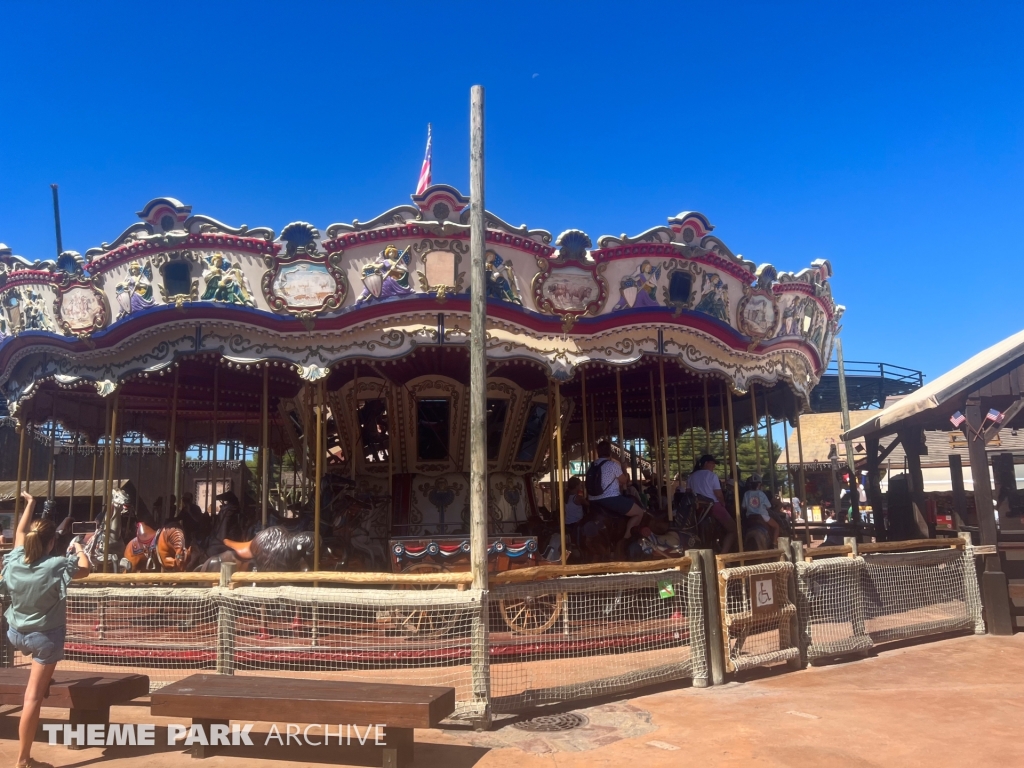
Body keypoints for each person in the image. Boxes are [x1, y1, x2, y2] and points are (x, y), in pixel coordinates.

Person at [2, 492, 91, 768]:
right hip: (44, 640)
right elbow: (86, 570)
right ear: (53, 542)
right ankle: (23, 760)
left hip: (15, 634)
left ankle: (45, 679)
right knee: (33, 698)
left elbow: (19, 531)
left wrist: (30, 504)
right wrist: (79, 549)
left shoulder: (15, 558)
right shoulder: (55, 565)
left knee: (39, 673)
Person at [587, 441, 647, 539]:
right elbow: (624, 481)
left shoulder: (592, 465)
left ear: (598, 452)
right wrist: (624, 469)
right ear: (610, 452)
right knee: (639, 512)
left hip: (593, 499)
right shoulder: (612, 465)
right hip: (610, 498)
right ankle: (626, 539)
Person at [688, 454, 737, 553]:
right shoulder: (712, 476)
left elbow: (688, 492)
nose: (714, 466)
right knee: (733, 529)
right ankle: (723, 554)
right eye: (712, 463)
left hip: (696, 507)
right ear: (706, 463)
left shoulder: (691, 476)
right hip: (712, 505)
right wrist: (723, 503)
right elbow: (718, 494)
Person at [742, 474, 780, 547]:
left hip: (750, 516)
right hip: (762, 516)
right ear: (759, 484)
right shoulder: (761, 493)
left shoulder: (746, 494)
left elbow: (743, 506)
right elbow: (768, 506)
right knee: (776, 526)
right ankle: (774, 544)